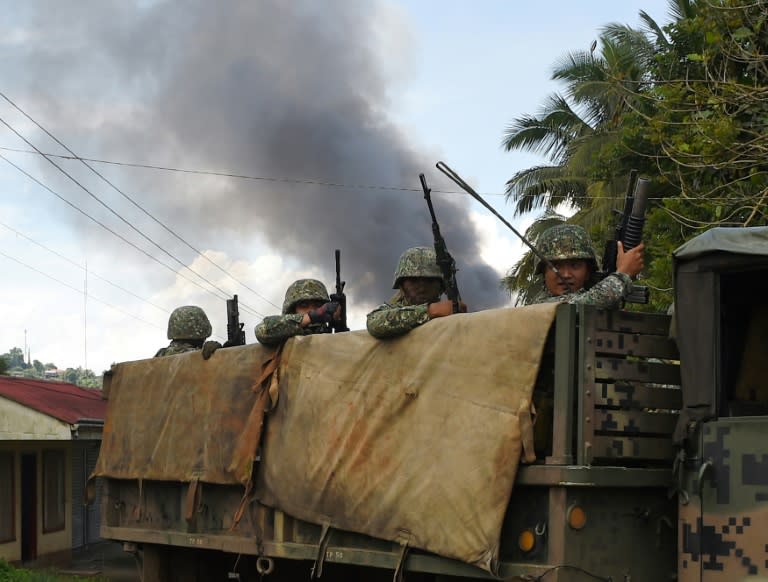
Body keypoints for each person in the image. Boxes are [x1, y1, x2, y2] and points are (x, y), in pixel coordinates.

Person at [530, 224, 644, 308]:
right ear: (544, 273)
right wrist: (623, 274)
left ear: (588, 272)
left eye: (574, 265)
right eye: (555, 266)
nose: (565, 274)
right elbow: (580, 305)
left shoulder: (589, 295)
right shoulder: (541, 307)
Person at [366, 246, 466, 339]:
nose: (422, 288)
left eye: (429, 281)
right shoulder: (391, 311)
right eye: (413, 281)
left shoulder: (449, 313)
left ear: (441, 287)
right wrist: (430, 311)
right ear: (402, 286)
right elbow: (374, 323)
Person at [255, 279, 341, 346]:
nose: (311, 310)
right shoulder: (283, 337)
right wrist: (310, 317)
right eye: (304, 305)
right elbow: (262, 330)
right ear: (292, 310)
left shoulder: (329, 336)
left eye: (318, 305)